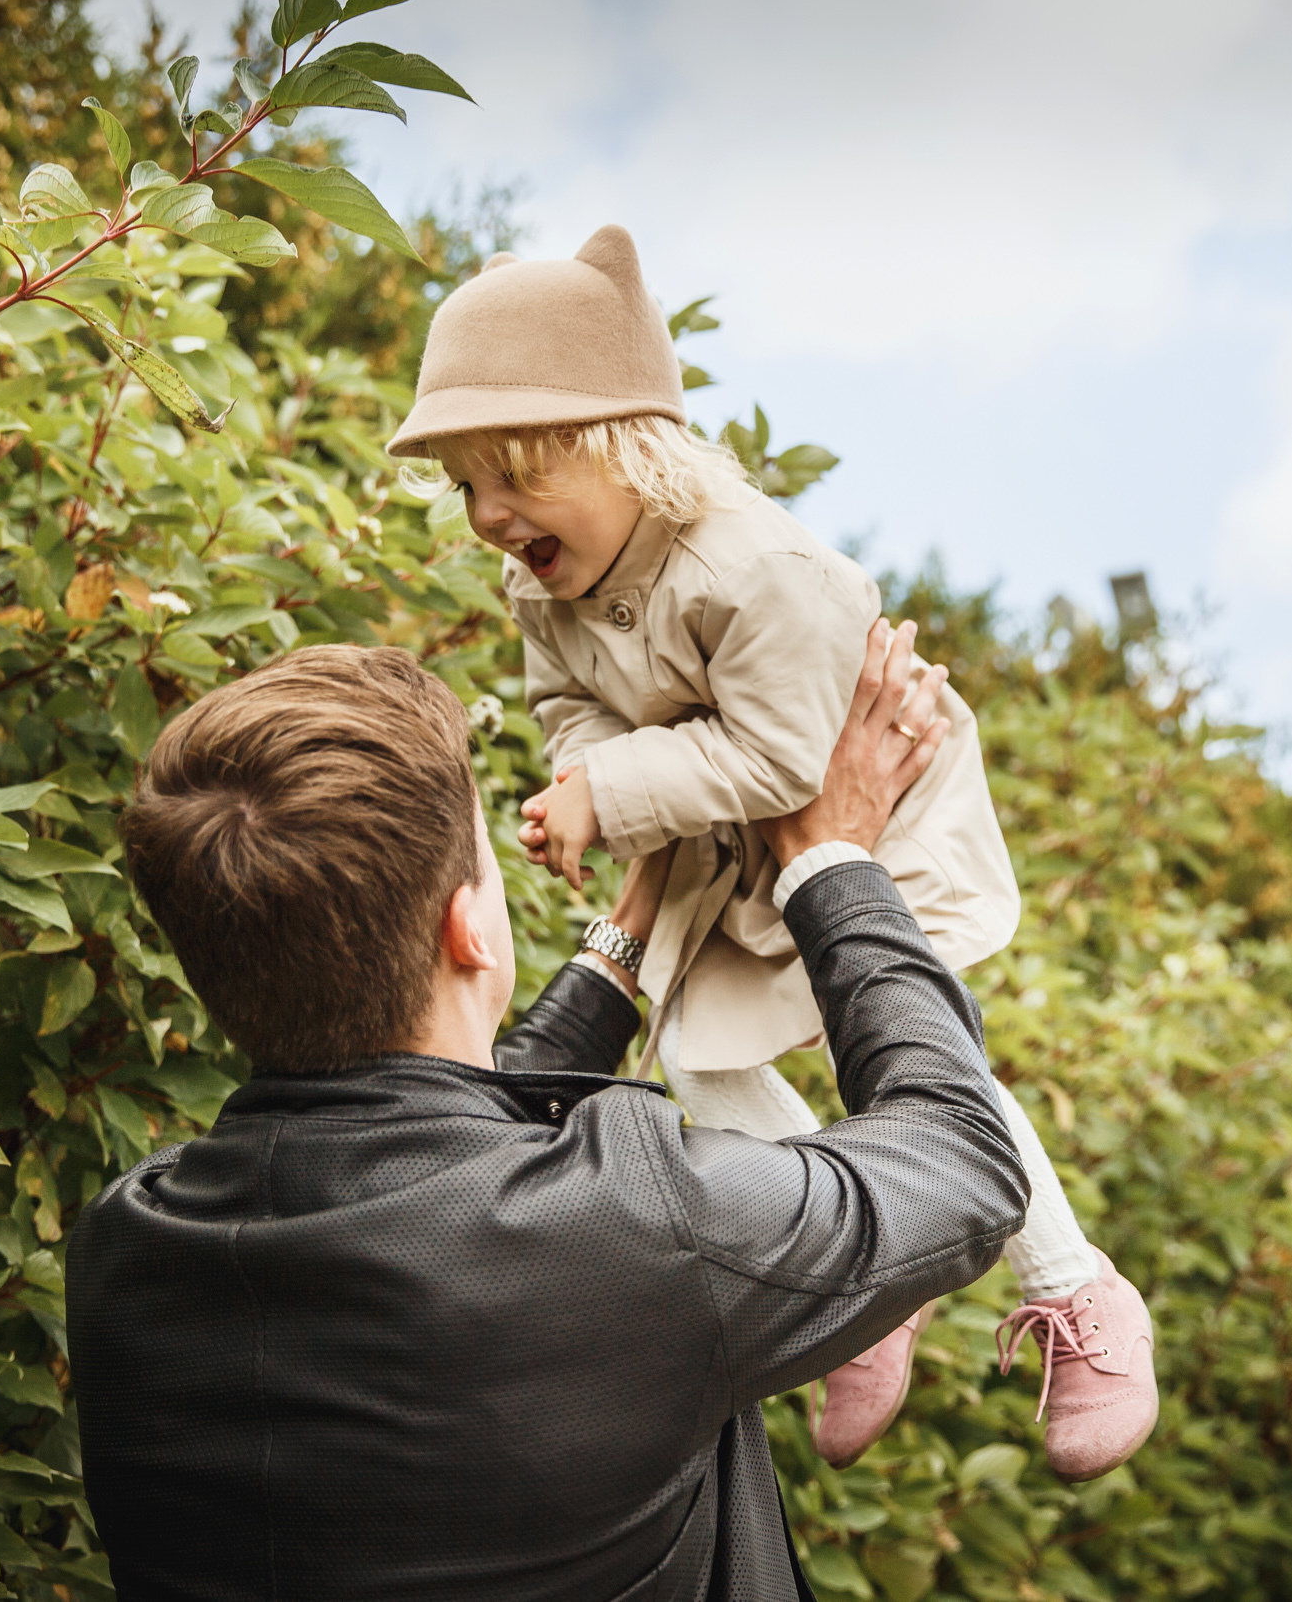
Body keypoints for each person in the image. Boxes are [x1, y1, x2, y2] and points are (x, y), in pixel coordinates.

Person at [384, 224, 1158, 1479]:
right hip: (724, 853)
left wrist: (615, 785)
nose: (485, 515)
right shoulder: (546, 582)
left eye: (511, 474)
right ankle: (859, 1263)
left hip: (874, 827)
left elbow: (795, 768)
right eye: (464, 485)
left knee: (913, 1055)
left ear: (623, 445)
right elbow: (564, 703)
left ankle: (1080, 1288)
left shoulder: (760, 570)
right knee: (696, 1055)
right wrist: (586, 770)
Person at [68, 624, 1029, 1600]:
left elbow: (435, 1147)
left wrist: (634, 918)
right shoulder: (638, 1225)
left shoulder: (127, 1248)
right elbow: (960, 1165)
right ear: (469, 923)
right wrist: (831, 858)